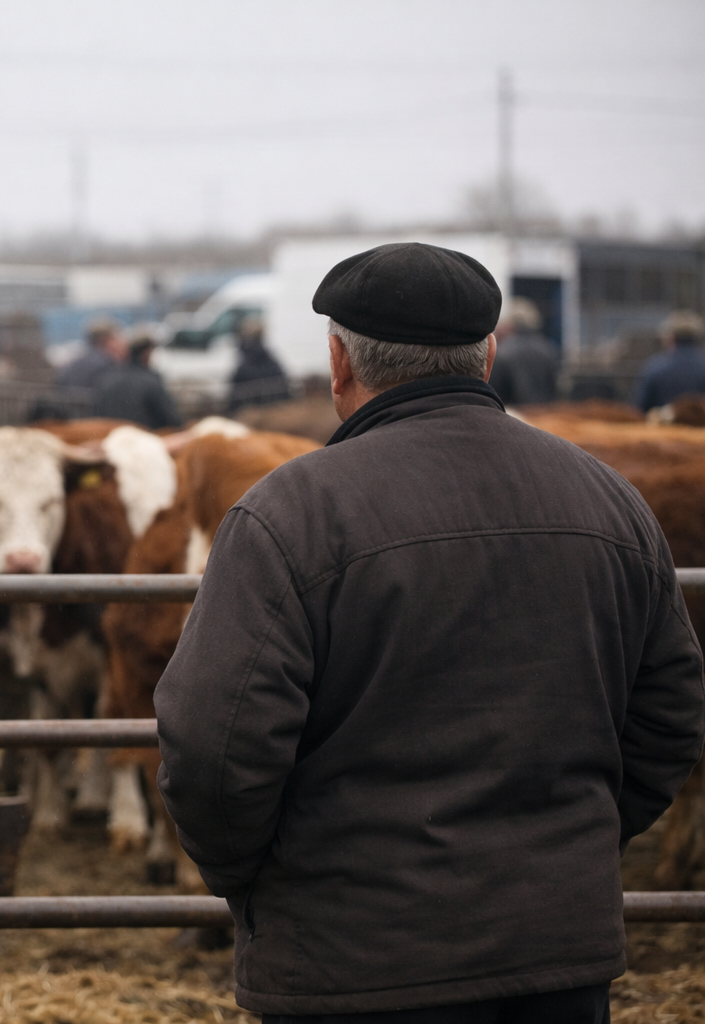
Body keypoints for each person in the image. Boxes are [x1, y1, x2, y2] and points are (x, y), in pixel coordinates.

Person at [155, 241, 704, 1021]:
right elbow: (672, 713)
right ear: (485, 359)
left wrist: (261, 879)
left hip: (353, 960)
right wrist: (572, 845)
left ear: (339, 364)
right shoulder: (607, 499)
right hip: (552, 954)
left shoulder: (291, 514)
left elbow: (213, 745)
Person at [93, 335, 180, 429]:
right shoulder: (151, 381)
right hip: (144, 437)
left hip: (110, 436)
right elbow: (171, 420)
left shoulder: (107, 378)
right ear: (148, 353)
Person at [488, 296, 560, 406]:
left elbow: (496, 392)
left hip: (514, 416)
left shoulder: (502, 352)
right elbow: (555, 389)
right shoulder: (548, 349)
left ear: (510, 324)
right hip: (546, 417)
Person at [635, 310, 705, 413]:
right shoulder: (702, 365)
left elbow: (641, 407)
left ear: (671, 338)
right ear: (697, 338)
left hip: (662, 427)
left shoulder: (655, 367)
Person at [226, 315, 290, 413]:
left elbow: (234, 397)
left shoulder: (246, 364)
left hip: (250, 415)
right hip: (274, 412)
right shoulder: (271, 360)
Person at [55, 318, 124, 389]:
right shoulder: (107, 365)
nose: (119, 342)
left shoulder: (71, 365)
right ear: (104, 339)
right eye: (115, 338)